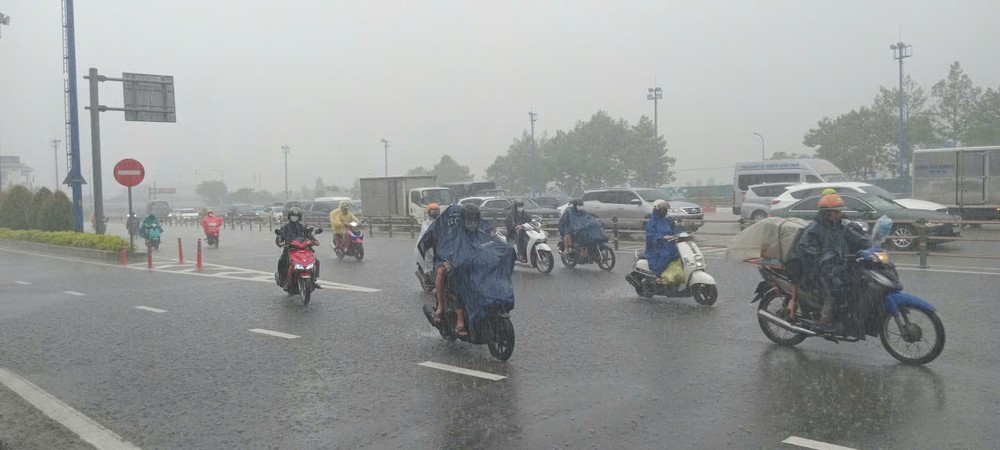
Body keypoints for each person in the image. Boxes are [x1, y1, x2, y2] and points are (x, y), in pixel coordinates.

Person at [790, 193, 869, 332]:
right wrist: (826, 256)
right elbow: (805, 248)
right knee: (837, 286)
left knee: (858, 280)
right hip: (816, 269)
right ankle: (823, 320)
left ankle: (845, 315)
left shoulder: (839, 227)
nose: (838, 214)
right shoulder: (814, 229)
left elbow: (855, 238)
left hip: (834, 266)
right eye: (835, 212)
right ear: (826, 213)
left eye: (839, 211)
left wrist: (871, 245)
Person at [424, 203, 486, 339]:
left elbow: (491, 243)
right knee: (445, 273)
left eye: (475, 219)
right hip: (452, 263)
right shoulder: (453, 232)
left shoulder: (481, 232)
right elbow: (446, 248)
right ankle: (447, 312)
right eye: (469, 219)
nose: (472, 222)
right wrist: (450, 259)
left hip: (473, 265)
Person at [275, 207, 322, 288]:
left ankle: (313, 279)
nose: (294, 217)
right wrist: (281, 242)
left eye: (296, 216)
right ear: (289, 216)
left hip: (304, 249)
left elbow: (309, 236)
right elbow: (280, 237)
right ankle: (283, 280)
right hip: (290, 249)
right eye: (293, 216)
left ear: (299, 217)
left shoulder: (303, 227)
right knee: (282, 261)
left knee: (316, 261)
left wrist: (314, 240)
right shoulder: (285, 227)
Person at [645, 199, 681, 284]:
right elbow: (650, 236)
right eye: (663, 209)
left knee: (679, 254)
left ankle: (674, 275)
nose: (665, 211)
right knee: (665, 255)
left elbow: (676, 231)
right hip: (657, 248)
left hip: (669, 246)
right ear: (657, 210)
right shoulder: (652, 223)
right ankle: (658, 275)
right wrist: (662, 237)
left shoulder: (667, 221)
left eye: (665, 209)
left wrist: (684, 233)